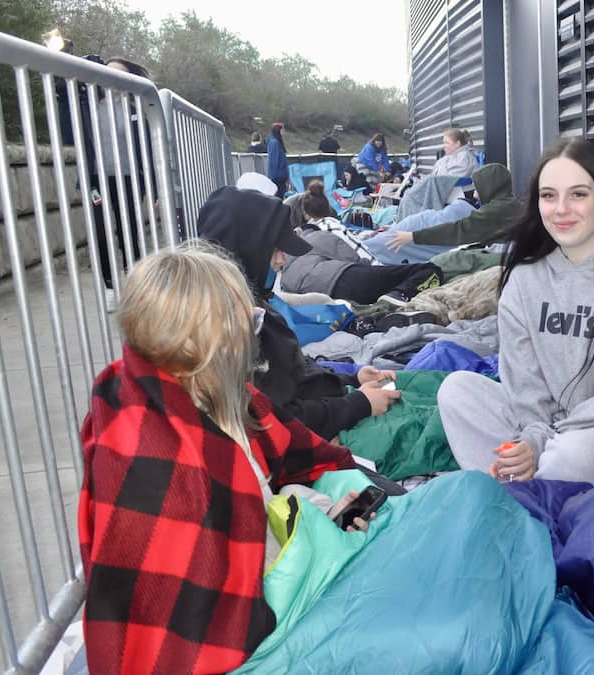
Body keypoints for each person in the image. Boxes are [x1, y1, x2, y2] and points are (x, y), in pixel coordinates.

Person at [78, 241, 373, 675]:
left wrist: (329, 520)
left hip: (269, 601)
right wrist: (323, 548)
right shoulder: (154, 454)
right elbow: (195, 638)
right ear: (204, 342)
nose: (252, 339)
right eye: (245, 324)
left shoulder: (215, 396)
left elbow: (301, 458)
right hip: (248, 644)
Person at [437, 138, 594, 482]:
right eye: (549, 196)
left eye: (578, 194)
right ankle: (517, 487)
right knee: (457, 389)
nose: (561, 208)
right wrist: (532, 437)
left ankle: (528, 487)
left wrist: (544, 441)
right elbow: (523, 384)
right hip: (544, 433)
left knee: (572, 453)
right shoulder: (523, 280)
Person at [196, 184, 401, 440]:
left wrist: (351, 377)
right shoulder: (238, 324)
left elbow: (291, 374)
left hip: (329, 412)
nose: (283, 260)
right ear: (249, 247)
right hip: (317, 439)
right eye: (276, 250)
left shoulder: (243, 300)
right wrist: (359, 404)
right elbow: (279, 421)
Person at [56, 55, 155, 312]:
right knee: (100, 232)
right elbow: (67, 133)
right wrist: (65, 93)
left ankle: (135, 285)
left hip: (129, 180)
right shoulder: (87, 108)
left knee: (129, 233)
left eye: (117, 73)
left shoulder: (134, 113)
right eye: (106, 72)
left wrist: (152, 186)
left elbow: (147, 152)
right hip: (96, 181)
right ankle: (110, 286)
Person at [282, 192, 443, 305]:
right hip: (342, 280)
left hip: (317, 292)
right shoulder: (325, 228)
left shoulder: (288, 254)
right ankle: (397, 296)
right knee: (430, 270)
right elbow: (355, 257)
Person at [368, 163, 521, 265]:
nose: (474, 193)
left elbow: (457, 230)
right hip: (502, 254)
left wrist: (413, 236)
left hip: (499, 258)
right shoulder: (509, 204)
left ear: (490, 187)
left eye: (478, 188)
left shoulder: (495, 211)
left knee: (445, 264)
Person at [266, 122, 289, 197]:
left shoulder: (276, 142)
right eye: (282, 130)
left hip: (280, 176)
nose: (284, 132)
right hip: (278, 177)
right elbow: (274, 161)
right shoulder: (274, 142)